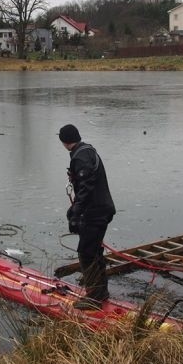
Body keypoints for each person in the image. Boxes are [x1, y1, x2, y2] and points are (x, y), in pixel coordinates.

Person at [59, 124, 116, 310]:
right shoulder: (87, 151)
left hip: (96, 212)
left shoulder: (81, 156)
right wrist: (76, 208)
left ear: (65, 141)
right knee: (94, 250)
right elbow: (86, 184)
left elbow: (87, 185)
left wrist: (76, 212)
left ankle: (94, 298)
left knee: (86, 253)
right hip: (101, 210)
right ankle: (101, 292)